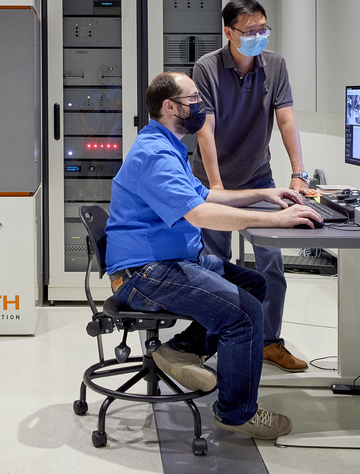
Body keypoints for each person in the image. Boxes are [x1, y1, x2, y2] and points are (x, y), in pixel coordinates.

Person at [104, 71, 322, 440]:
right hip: (143, 273)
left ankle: (180, 350)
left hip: (169, 261)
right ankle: (237, 414)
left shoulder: (168, 143)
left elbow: (204, 196)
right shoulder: (155, 154)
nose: (201, 107)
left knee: (252, 285)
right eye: (193, 100)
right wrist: (280, 219)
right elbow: (201, 215)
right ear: (169, 106)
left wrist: (264, 194)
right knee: (245, 315)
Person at [191, 0, 312, 373]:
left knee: (271, 262)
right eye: (250, 32)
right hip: (214, 181)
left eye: (264, 30)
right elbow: (205, 129)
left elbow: (287, 121)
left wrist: (298, 173)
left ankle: (269, 342)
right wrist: (216, 188)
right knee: (215, 263)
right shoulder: (207, 67)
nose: (259, 37)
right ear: (229, 32)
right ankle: (212, 341)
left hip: (260, 178)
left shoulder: (274, 65)